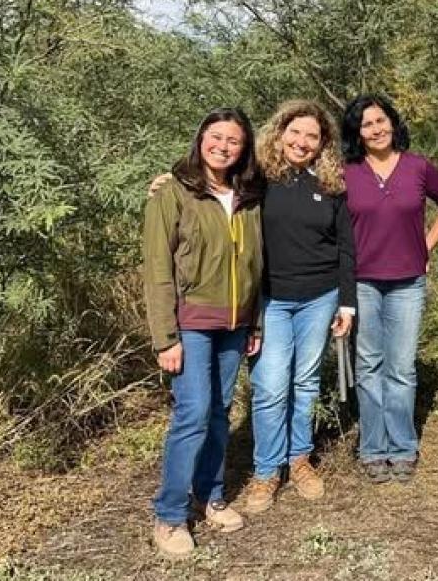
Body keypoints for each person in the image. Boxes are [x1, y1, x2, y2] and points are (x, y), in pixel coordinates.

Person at [143, 108, 265, 558]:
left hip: (235, 324)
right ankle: (170, 515)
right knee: (192, 414)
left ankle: (209, 495)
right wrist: (165, 338)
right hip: (190, 324)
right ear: (201, 139)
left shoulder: (249, 196)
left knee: (219, 411)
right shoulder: (172, 193)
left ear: (244, 148)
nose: (224, 146)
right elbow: (157, 270)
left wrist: (254, 321)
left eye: (234, 140)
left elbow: (256, 264)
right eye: (216, 137)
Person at [238, 100, 356, 513]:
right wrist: (172, 181)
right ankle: (266, 471)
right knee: (270, 386)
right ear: (280, 132)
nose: (303, 142)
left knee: (305, 383)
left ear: (323, 144)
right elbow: (211, 184)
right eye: (296, 132)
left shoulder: (331, 183)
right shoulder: (257, 177)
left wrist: (347, 303)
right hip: (270, 299)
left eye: (313, 136)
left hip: (319, 298)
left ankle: (299, 459)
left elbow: (346, 247)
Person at [340, 94, 438, 484]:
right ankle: (373, 447)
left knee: (402, 368)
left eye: (381, 120)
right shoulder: (347, 171)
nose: (376, 129)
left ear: (393, 122)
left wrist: (427, 243)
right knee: (369, 366)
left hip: (408, 281)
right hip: (363, 282)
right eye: (366, 124)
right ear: (357, 133)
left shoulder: (418, 167)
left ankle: (403, 447)